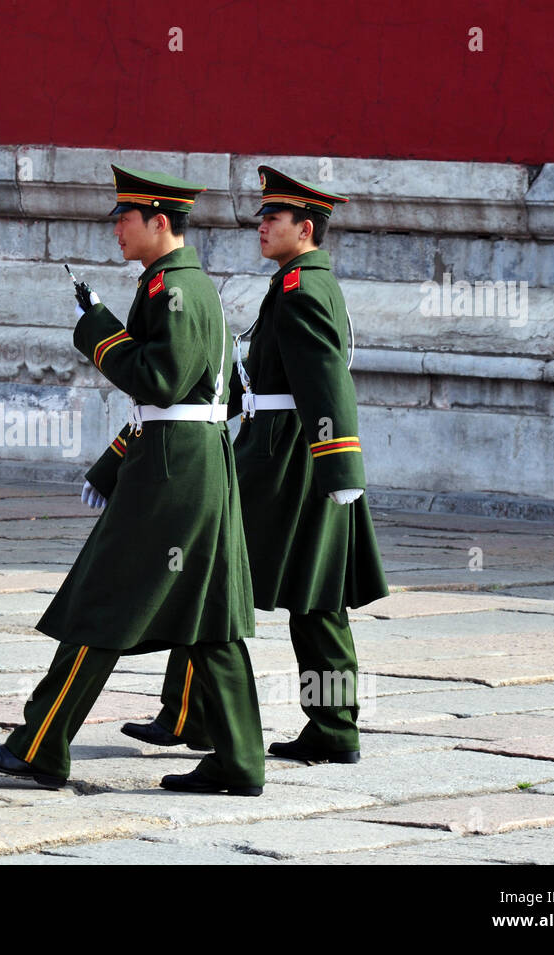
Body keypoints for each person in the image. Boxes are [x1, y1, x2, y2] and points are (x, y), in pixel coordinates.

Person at [0, 164, 266, 795]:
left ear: (159, 222)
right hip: (195, 460)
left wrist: (99, 332)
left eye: (126, 220)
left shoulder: (170, 288)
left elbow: (161, 381)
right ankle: (239, 762)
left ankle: (42, 746)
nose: (118, 232)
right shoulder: (188, 284)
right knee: (209, 618)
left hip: (169, 471)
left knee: (101, 601)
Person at [122, 166, 390, 763]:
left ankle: (203, 717)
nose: (262, 227)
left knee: (212, 578)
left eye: (274, 218)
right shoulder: (297, 283)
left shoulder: (302, 289)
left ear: (307, 229)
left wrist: (341, 468)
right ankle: (320, 727)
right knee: (314, 601)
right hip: (291, 453)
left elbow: (327, 385)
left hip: (288, 458)